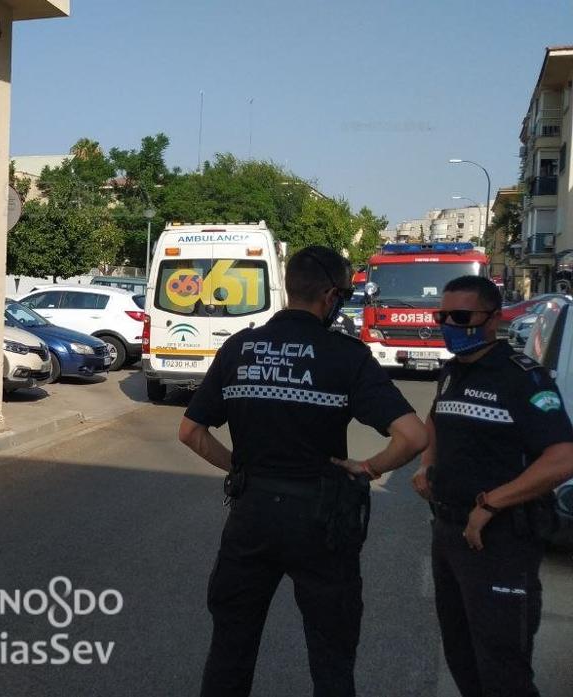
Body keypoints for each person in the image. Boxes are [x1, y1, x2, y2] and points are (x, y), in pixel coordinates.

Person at [178, 245, 428, 697]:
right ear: (330, 296)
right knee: (331, 656)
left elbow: (191, 431)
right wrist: (368, 467)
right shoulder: (346, 357)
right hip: (322, 522)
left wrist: (238, 467)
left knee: (231, 646)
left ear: (290, 287)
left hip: (251, 514)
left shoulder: (239, 348)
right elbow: (413, 436)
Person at [413, 275, 573, 697]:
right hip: (449, 533)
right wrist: (427, 463)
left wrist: (491, 504)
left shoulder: (523, 378)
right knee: (461, 654)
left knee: (503, 666)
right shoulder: (451, 372)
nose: (448, 323)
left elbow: (563, 457)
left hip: (501, 540)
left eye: (460, 316)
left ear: (493, 320)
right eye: (441, 315)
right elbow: (436, 419)